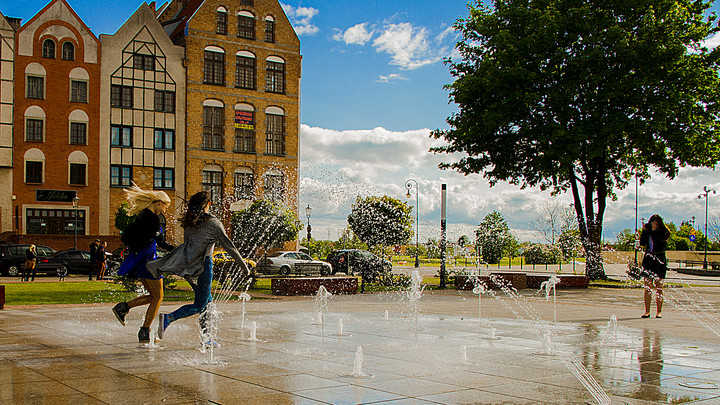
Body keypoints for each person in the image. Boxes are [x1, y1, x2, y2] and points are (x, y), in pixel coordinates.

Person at [148, 191, 250, 343]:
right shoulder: (214, 224)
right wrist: (245, 267)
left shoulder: (190, 223)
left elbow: (188, 246)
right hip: (204, 266)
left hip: (189, 265)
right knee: (201, 305)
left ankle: (206, 337)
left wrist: (186, 270)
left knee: (207, 303)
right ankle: (168, 318)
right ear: (209, 205)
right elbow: (229, 247)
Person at [111, 183, 175, 343]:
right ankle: (144, 330)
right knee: (159, 296)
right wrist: (176, 250)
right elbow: (160, 241)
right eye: (165, 206)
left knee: (154, 296)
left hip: (140, 260)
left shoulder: (142, 215)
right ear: (159, 202)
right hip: (148, 260)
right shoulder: (152, 218)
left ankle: (123, 308)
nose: (165, 210)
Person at [637, 214, 670, 319]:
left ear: (659, 223)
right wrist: (645, 232)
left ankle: (659, 311)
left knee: (659, 285)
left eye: (655, 223)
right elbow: (642, 243)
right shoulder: (648, 232)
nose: (653, 224)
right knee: (647, 286)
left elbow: (660, 240)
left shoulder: (663, 233)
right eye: (652, 222)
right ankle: (647, 311)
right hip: (648, 259)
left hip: (659, 259)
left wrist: (652, 231)